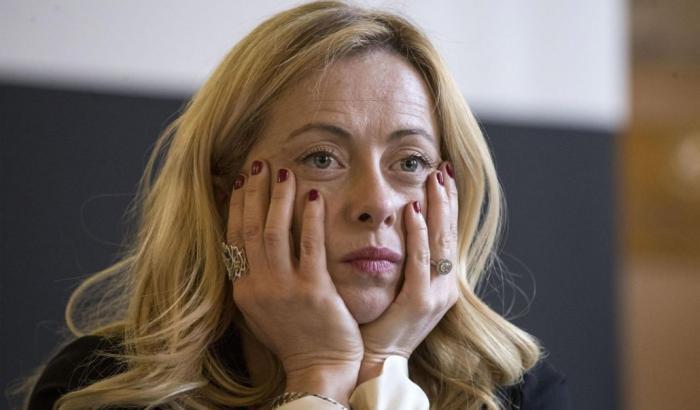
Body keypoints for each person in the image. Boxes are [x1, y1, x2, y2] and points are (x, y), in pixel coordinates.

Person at [25, 1, 571, 409]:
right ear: (226, 190)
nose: (376, 204)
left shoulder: (515, 394)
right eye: (322, 158)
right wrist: (320, 374)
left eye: (409, 162)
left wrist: (383, 370)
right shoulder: (97, 389)